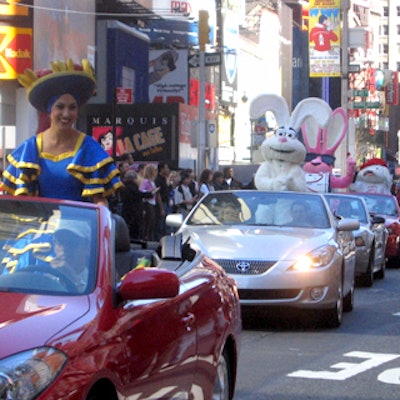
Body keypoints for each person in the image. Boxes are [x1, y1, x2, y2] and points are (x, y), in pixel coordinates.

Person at [1, 59, 122, 207]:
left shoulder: (89, 148)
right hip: (39, 227)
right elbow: (18, 203)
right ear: (49, 111)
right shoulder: (30, 148)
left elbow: (99, 201)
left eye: (72, 107)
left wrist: (104, 224)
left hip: (78, 227)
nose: (66, 113)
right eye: (60, 107)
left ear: (77, 112)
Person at [50, 221, 91, 293]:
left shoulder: (94, 282)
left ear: (87, 247)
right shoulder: (46, 279)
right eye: (60, 242)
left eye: (71, 243)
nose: (63, 249)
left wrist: (73, 278)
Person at [121, 169, 156, 240]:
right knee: (135, 229)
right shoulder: (132, 187)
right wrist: (151, 194)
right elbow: (139, 194)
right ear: (134, 179)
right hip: (134, 211)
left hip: (127, 210)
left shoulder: (124, 186)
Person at [140, 164, 160, 241]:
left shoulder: (152, 181)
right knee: (149, 221)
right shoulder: (146, 181)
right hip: (148, 203)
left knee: (153, 221)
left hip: (153, 202)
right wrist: (151, 191)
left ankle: (150, 237)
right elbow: (142, 191)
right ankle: (146, 237)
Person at [154, 161, 172, 240]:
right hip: (162, 204)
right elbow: (158, 195)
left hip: (167, 203)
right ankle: (159, 240)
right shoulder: (157, 180)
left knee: (167, 224)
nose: (168, 170)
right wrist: (161, 208)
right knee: (160, 224)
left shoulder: (164, 179)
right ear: (162, 169)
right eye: (166, 168)